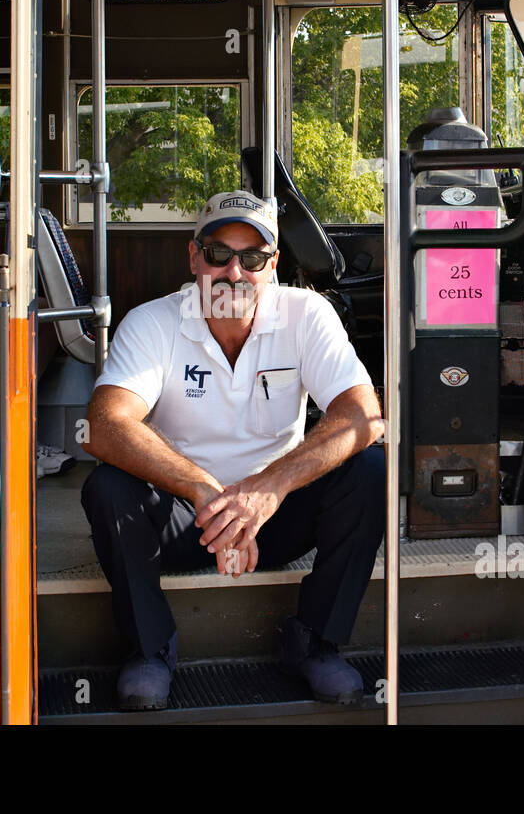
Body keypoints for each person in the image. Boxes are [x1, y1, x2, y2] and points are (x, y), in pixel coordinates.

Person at [80, 191, 385, 710]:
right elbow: (105, 425)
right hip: (185, 517)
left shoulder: (307, 313)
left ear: (273, 265)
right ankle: (150, 651)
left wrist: (266, 490)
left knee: (370, 466)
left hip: (276, 517)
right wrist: (204, 491)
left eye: (252, 258)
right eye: (220, 254)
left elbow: (364, 416)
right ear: (195, 257)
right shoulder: (153, 321)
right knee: (107, 488)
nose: (234, 273)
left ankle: (315, 642)